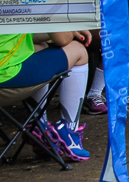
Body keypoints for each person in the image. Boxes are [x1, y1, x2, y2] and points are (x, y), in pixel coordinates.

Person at [0, 29, 93, 160]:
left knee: (39, 47)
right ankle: (70, 132)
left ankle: (40, 127)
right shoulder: (32, 6)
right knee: (78, 50)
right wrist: (70, 30)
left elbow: (23, 36)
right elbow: (62, 38)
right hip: (5, 80)